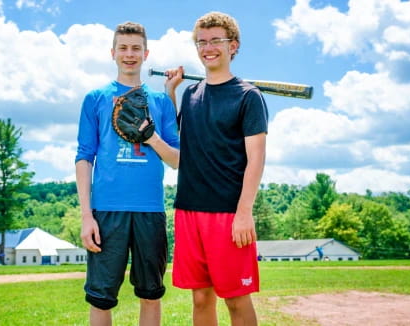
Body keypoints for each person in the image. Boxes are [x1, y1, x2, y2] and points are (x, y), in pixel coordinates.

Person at [165, 12, 269, 326]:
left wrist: (244, 212)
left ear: (233, 46)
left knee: (236, 299)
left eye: (216, 41)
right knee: (200, 298)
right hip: (189, 210)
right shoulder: (191, 94)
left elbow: (256, 160)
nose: (208, 48)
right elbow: (178, 143)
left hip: (228, 214)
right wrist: (171, 91)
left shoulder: (249, 97)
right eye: (202, 42)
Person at [75, 22, 180, 326]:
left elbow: (177, 160)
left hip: (150, 210)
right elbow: (84, 158)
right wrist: (86, 216)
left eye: (136, 48)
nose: (129, 54)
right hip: (106, 211)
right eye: (123, 47)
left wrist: (151, 137)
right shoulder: (95, 98)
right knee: (101, 297)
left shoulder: (160, 101)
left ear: (146, 53)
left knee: (150, 294)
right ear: (113, 53)